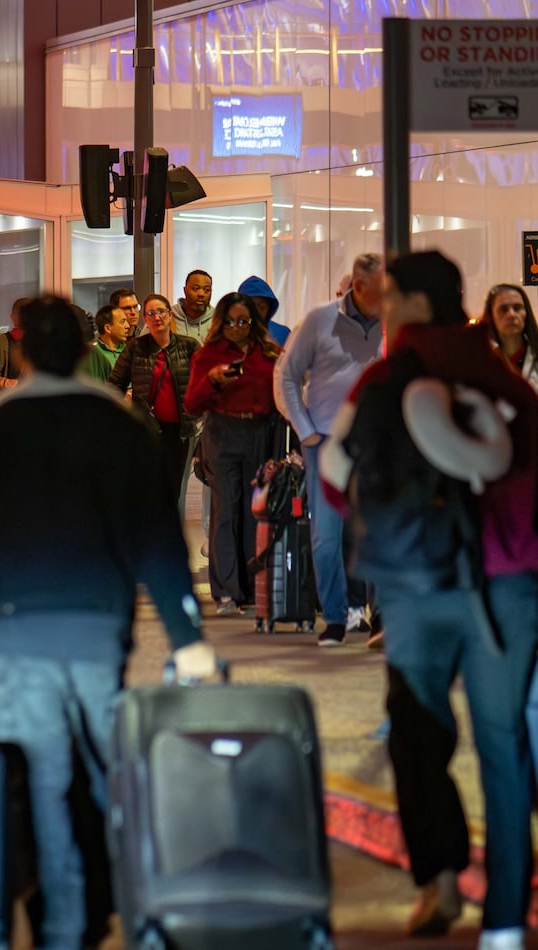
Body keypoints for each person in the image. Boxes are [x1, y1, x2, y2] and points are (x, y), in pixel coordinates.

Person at [0, 294, 216, 950]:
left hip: (19, 633)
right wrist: (188, 639)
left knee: (40, 785)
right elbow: (158, 544)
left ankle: (62, 926)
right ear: (84, 351)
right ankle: (135, 913)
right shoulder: (121, 427)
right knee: (115, 778)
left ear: (19, 351)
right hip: (100, 630)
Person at [321, 250, 538, 950]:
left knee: (419, 733)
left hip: (417, 585)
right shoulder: (506, 381)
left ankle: (439, 883)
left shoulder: (387, 379)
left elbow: (333, 480)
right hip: (507, 587)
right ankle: (505, 922)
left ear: (411, 303)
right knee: (503, 746)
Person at [274, 252, 385, 646]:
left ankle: (380, 617)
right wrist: (305, 431)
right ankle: (335, 617)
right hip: (325, 443)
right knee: (326, 537)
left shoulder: (391, 323)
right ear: (358, 287)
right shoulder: (320, 320)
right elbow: (286, 376)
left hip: (374, 444)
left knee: (377, 531)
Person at [185, 292, 281, 613]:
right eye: (229, 322)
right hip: (222, 433)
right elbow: (192, 405)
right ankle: (226, 591)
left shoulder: (267, 352)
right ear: (220, 322)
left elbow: (282, 390)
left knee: (255, 511)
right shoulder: (209, 355)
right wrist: (212, 382)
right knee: (225, 509)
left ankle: (253, 588)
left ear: (254, 322)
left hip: (259, 433)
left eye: (243, 321)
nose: (236, 328)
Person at [109, 293, 199, 508]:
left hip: (179, 431)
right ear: (145, 320)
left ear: (170, 315)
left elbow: (204, 383)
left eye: (161, 312)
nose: (156, 317)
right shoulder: (136, 348)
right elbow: (113, 385)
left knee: (173, 490)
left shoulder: (189, 346)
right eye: (150, 313)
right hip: (146, 429)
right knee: (147, 489)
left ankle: (166, 537)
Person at [479, 282, 538, 394]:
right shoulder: (481, 362)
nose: (511, 314)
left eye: (517, 308)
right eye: (503, 309)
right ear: (491, 316)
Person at [80, 304, 129, 382]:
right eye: (122, 322)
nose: (127, 326)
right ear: (108, 328)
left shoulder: (130, 351)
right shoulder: (94, 355)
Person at [237, 275, 290, 346]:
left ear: (269, 309)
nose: (256, 311)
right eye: (251, 306)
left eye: (262, 307)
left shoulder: (283, 334)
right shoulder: (230, 331)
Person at [170, 269, 214, 342]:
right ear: (185, 290)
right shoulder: (167, 317)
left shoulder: (218, 320)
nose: (201, 294)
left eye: (206, 290)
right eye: (196, 288)